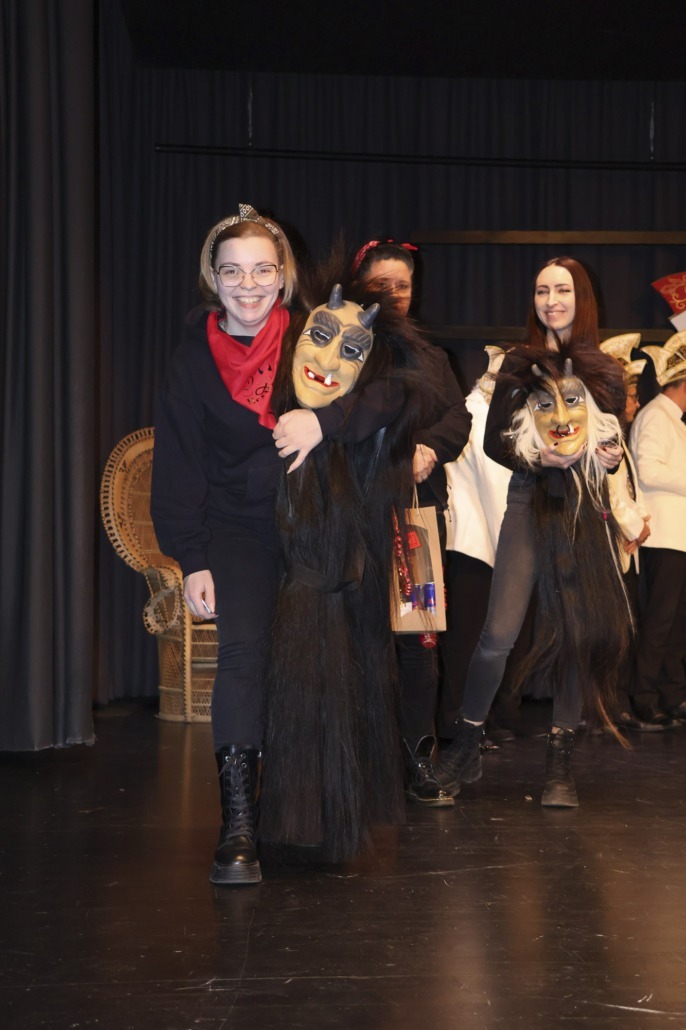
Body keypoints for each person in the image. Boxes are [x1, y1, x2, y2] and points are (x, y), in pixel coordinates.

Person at [436, 257, 630, 808]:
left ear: (581, 297)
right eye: (542, 291)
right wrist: (537, 457)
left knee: (573, 634)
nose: (551, 300)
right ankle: (466, 745)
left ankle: (560, 763)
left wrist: (610, 457)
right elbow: (495, 440)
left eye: (562, 290)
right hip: (527, 499)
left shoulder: (605, 369)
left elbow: (612, 442)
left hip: (582, 511)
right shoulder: (519, 363)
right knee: (497, 633)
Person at [352, 239, 472, 807]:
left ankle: (418, 760)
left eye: (403, 285)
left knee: (419, 641)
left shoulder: (433, 357)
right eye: (383, 284)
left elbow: (458, 417)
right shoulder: (345, 346)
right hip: (353, 514)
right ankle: (356, 763)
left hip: (414, 518)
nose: (394, 294)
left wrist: (428, 447)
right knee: (357, 638)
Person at [600, 335, 660, 731]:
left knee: (625, 628)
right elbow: (609, 492)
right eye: (632, 397)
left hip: (626, 545)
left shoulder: (619, 435)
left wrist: (641, 522)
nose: (636, 404)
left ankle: (616, 704)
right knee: (609, 630)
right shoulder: (604, 436)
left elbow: (628, 490)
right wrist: (637, 527)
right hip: (610, 544)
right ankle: (604, 708)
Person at [629, 333, 686, 726]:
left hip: (677, 537)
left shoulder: (672, 420)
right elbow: (648, 470)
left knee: (677, 623)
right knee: (660, 621)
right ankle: (645, 696)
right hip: (663, 536)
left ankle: (672, 693)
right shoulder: (655, 416)